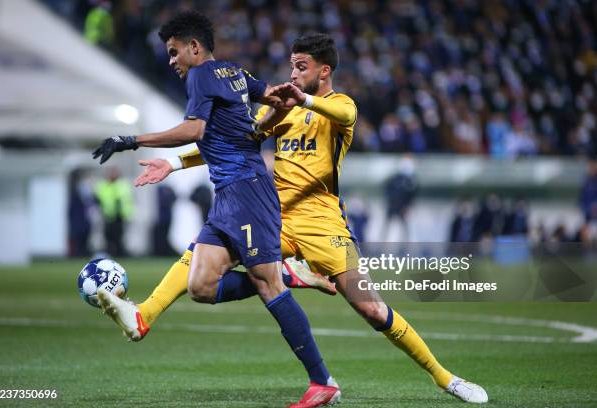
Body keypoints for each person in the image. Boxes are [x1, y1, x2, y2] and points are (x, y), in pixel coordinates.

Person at [134, 33, 488, 404]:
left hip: (327, 224)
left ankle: (446, 378)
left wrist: (304, 99)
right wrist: (174, 163)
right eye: (291, 66)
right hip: (275, 217)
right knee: (203, 264)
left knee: (370, 306)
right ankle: (147, 313)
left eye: (300, 66)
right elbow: (233, 141)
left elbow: (346, 114)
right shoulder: (279, 111)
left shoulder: (339, 106)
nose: (292, 73)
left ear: (324, 70)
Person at [91, 12, 340, 408]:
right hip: (229, 194)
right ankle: (288, 274)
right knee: (201, 287)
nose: (171, 61)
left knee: (266, 285)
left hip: (247, 191)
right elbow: (271, 96)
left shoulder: (201, 75)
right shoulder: (233, 72)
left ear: (194, 47)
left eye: (174, 52)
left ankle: (322, 380)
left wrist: (131, 140)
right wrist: (267, 112)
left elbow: (195, 130)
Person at [94, 167, 134, 257]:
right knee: (108, 236)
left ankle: (119, 254)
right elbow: (98, 198)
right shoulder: (103, 185)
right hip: (107, 215)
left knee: (118, 236)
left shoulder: (122, 184)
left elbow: (124, 200)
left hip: (120, 216)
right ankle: (110, 254)